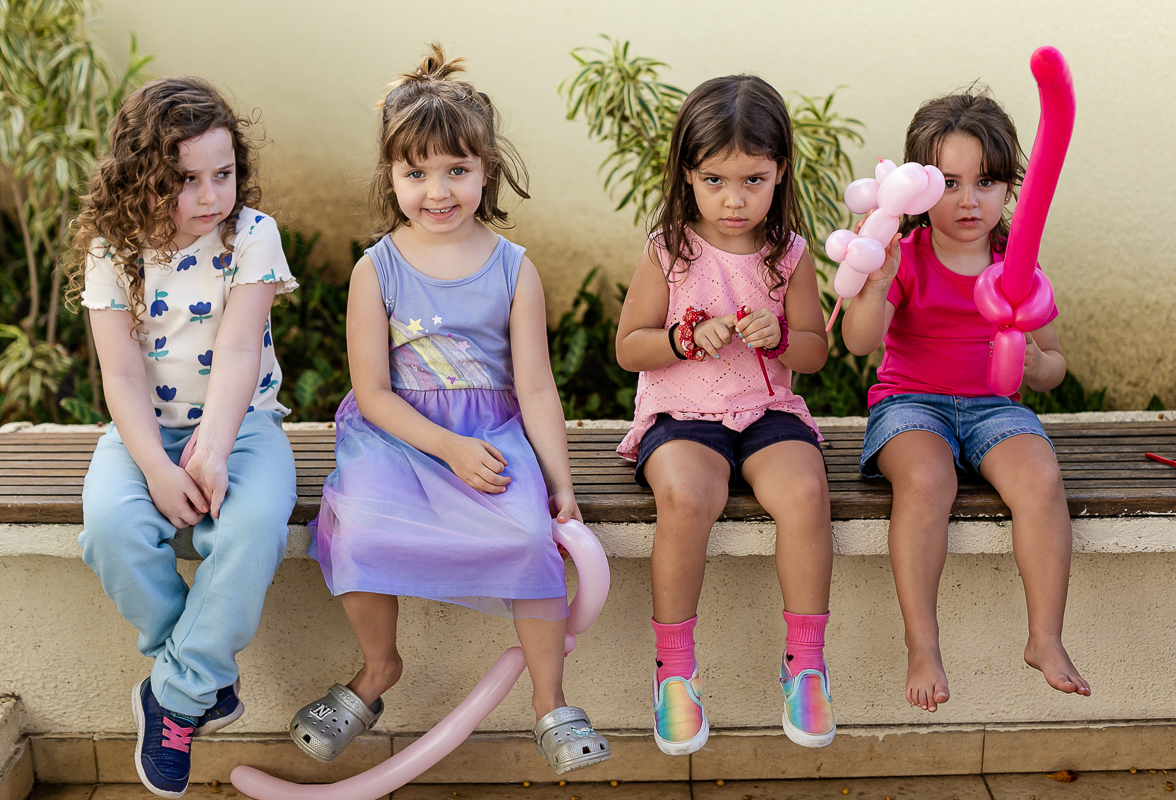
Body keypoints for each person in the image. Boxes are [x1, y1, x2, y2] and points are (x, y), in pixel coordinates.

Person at [293, 46, 610, 775]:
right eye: (416, 174)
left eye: (456, 171)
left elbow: (536, 388)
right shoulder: (375, 269)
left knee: (531, 535)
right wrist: (447, 449)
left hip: (491, 431)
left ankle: (551, 703)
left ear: (486, 170)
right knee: (358, 526)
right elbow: (373, 392)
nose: (437, 192)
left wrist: (560, 483)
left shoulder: (514, 268)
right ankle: (378, 669)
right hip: (397, 436)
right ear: (391, 176)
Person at [69, 77, 298, 798]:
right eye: (186, 180)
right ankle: (200, 678)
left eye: (223, 174)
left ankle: (173, 695)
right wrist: (157, 469)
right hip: (142, 430)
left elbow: (238, 350)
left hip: (244, 424)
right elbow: (121, 374)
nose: (210, 196)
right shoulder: (113, 250)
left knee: (252, 530)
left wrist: (215, 449)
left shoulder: (251, 235)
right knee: (111, 529)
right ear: (141, 179)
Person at [840, 90, 1091, 713]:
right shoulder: (906, 258)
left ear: (1009, 187)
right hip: (911, 405)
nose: (968, 200)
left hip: (994, 408)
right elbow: (859, 343)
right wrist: (874, 283)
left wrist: (1038, 366)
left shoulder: (1017, 267)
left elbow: (1054, 365)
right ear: (918, 188)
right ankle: (922, 643)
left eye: (986, 182)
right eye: (949, 183)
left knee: (1041, 480)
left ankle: (1045, 637)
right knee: (928, 481)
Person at [615, 75, 835, 755]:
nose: (733, 200)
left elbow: (815, 351)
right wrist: (681, 339)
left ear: (781, 172)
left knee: (805, 492)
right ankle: (674, 672)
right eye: (714, 180)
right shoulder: (668, 250)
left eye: (752, 180)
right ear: (688, 173)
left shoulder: (788, 255)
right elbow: (628, 346)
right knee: (687, 498)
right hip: (683, 416)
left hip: (766, 410)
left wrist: (782, 337)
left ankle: (806, 664)